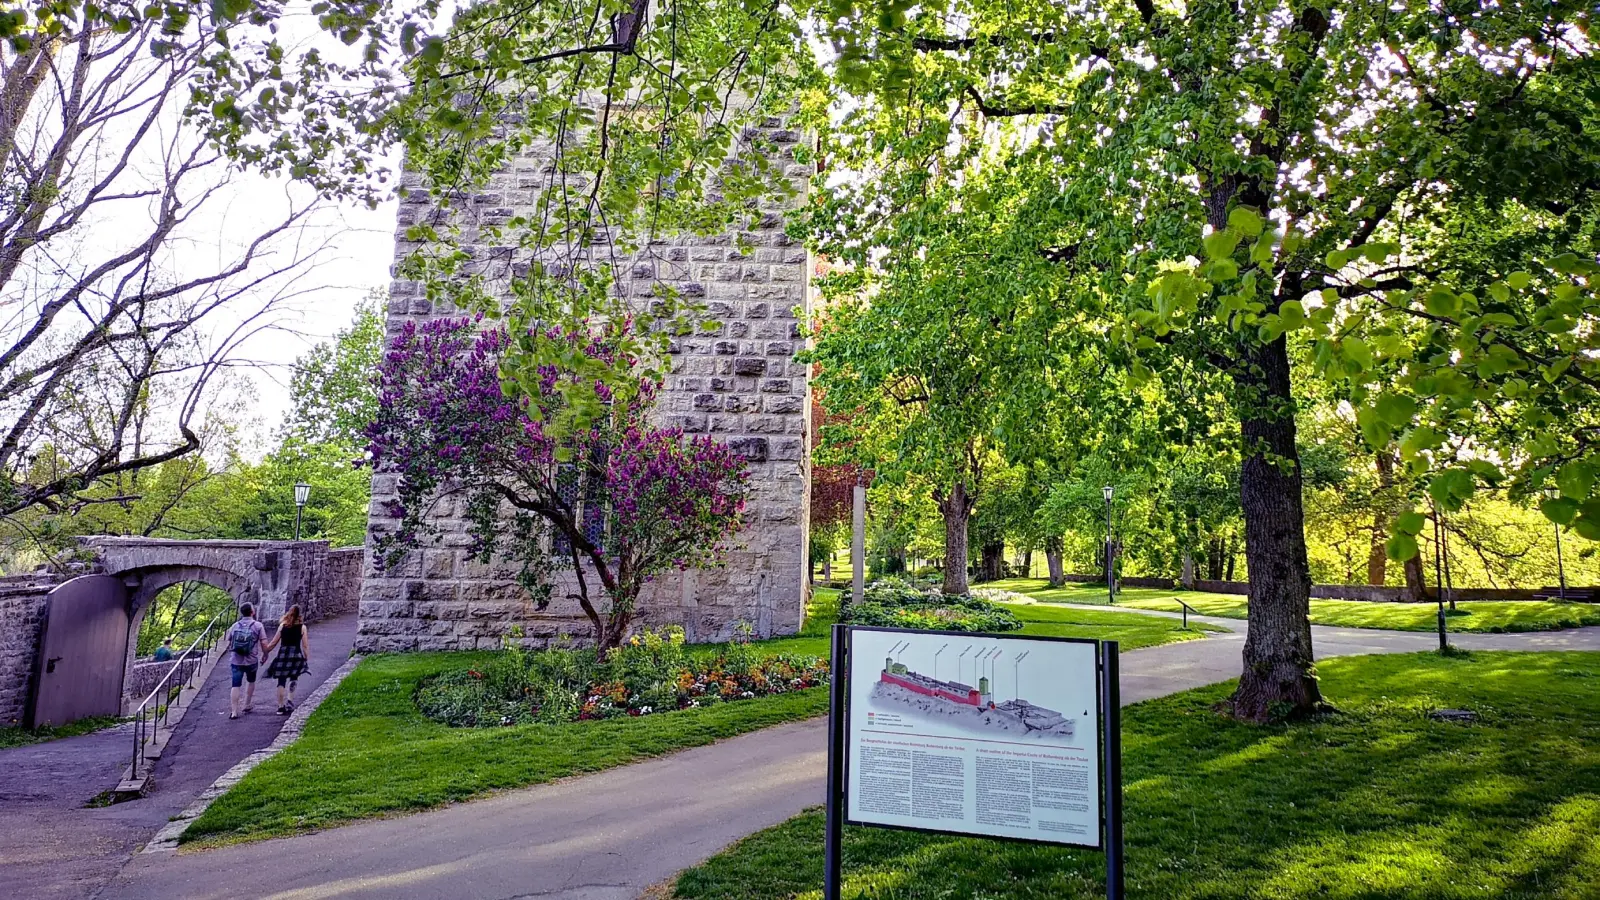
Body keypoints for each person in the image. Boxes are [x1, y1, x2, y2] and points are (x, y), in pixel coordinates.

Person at [262, 604, 311, 716]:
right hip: (296, 655)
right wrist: (306, 657)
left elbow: (273, 643)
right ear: (300, 615)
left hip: (283, 654)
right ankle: (289, 701)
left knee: (281, 681)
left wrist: (266, 652)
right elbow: (305, 645)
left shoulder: (282, 626)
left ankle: (280, 707)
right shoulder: (302, 627)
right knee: (294, 677)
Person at [226, 603, 268, 719]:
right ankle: (246, 704)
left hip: (236, 660)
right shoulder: (258, 626)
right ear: (252, 612)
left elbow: (229, 641)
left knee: (235, 685)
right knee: (250, 681)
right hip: (251, 660)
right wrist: (265, 654)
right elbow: (264, 642)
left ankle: (234, 712)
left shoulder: (234, 626)